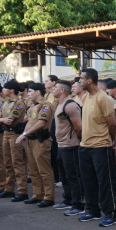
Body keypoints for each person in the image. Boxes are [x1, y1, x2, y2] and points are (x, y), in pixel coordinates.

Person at [77, 68, 116, 227]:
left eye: (81, 79)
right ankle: (93, 210)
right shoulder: (86, 96)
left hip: (101, 146)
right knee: (88, 181)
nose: (79, 81)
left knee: (105, 182)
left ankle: (110, 214)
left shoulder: (103, 98)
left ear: (89, 81)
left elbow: (112, 123)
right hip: (85, 146)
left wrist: (111, 140)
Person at [16, 83, 55, 207]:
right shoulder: (33, 106)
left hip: (40, 140)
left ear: (38, 92)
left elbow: (41, 124)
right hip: (30, 140)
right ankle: (37, 195)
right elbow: (28, 122)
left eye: (31, 91)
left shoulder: (45, 106)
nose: (28, 94)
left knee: (44, 170)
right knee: (33, 170)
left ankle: (48, 197)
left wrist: (24, 134)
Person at [52, 80, 85, 215]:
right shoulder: (59, 105)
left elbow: (78, 127)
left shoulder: (70, 105)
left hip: (71, 146)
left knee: (73, 175)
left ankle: (78, 204)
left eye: (56, 87)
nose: (53, 89)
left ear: (62, 91)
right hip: (61, 145)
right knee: (64, 175)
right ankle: (68, 199)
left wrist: (76, 141)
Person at [0, 80, 28, 200]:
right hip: (6, 133)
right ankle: (9, 189)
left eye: (4, 88)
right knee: (7, 163)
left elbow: (10, 119)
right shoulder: (5, 102)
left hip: (15, 134)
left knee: (17, 163)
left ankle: (22, 191)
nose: (2, 90)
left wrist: (2, 119)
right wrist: (2, 120)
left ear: (11, 90)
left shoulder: (19, 103)